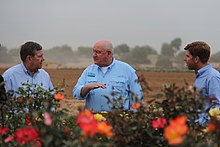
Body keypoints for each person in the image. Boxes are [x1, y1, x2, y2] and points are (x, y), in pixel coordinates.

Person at [73, 40, 143, 113]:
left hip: (118, 121)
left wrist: (133, 119)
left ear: (109, 53)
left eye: (98, 52)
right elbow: (76, 93)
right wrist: (87, 87)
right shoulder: (89, 70)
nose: (94, 55)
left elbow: (137, 98)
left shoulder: (127, 70)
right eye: (93, 51)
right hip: (93, 120)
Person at [184, 41, 220, 125]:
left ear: (196, 59)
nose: (185, 59)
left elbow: (217, 107)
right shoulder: (201, 76)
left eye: (188, 56)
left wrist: (202, 124)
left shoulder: (213, 77)